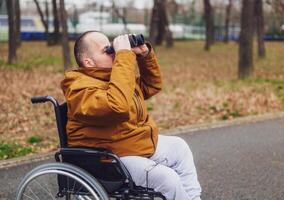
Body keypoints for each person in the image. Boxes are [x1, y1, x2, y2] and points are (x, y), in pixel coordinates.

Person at [61, 31, 202, 200]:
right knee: (167, 179)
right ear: (88, 62)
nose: (113, 52)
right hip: (108, 159)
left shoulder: (114, 79)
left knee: (179, 147)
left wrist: (145, 55)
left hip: (130, 146)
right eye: (107, 50)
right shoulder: (79, 88)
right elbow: (117, 106)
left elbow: (151, 86)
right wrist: (124, 56)